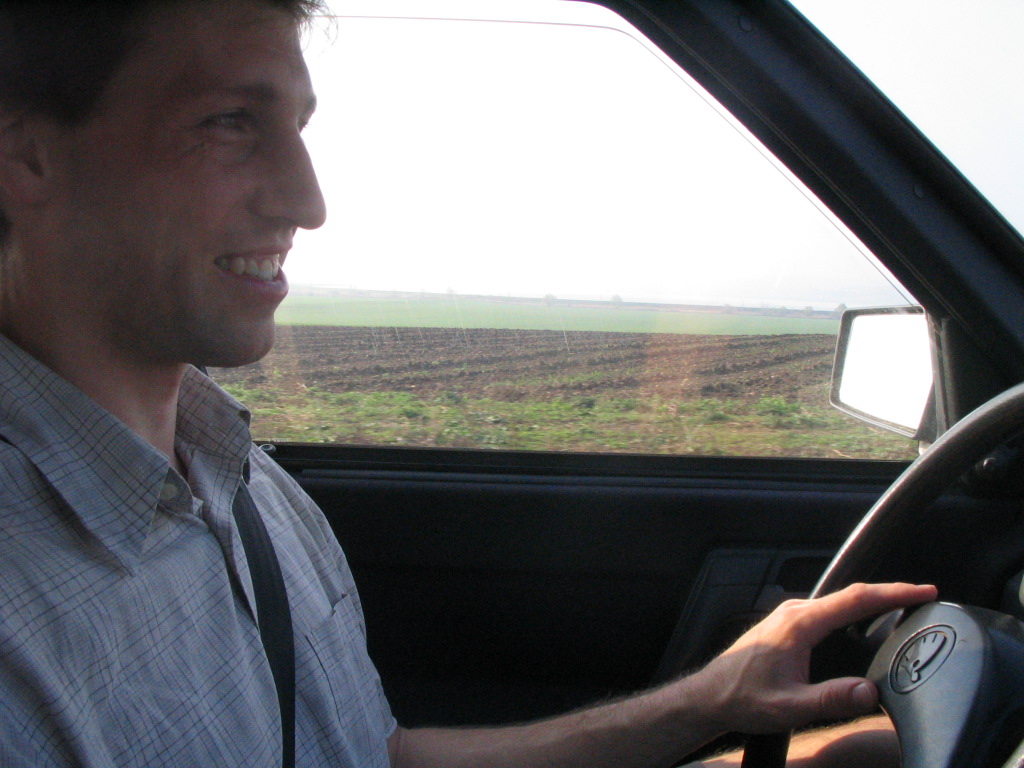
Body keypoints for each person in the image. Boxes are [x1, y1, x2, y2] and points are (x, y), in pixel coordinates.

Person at [0, 1, 936, 765]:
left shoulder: (250, 485)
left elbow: (378, 758)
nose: (308, 201)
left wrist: (711, 705)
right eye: (228, 123)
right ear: (26, 157)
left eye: (297, 127)